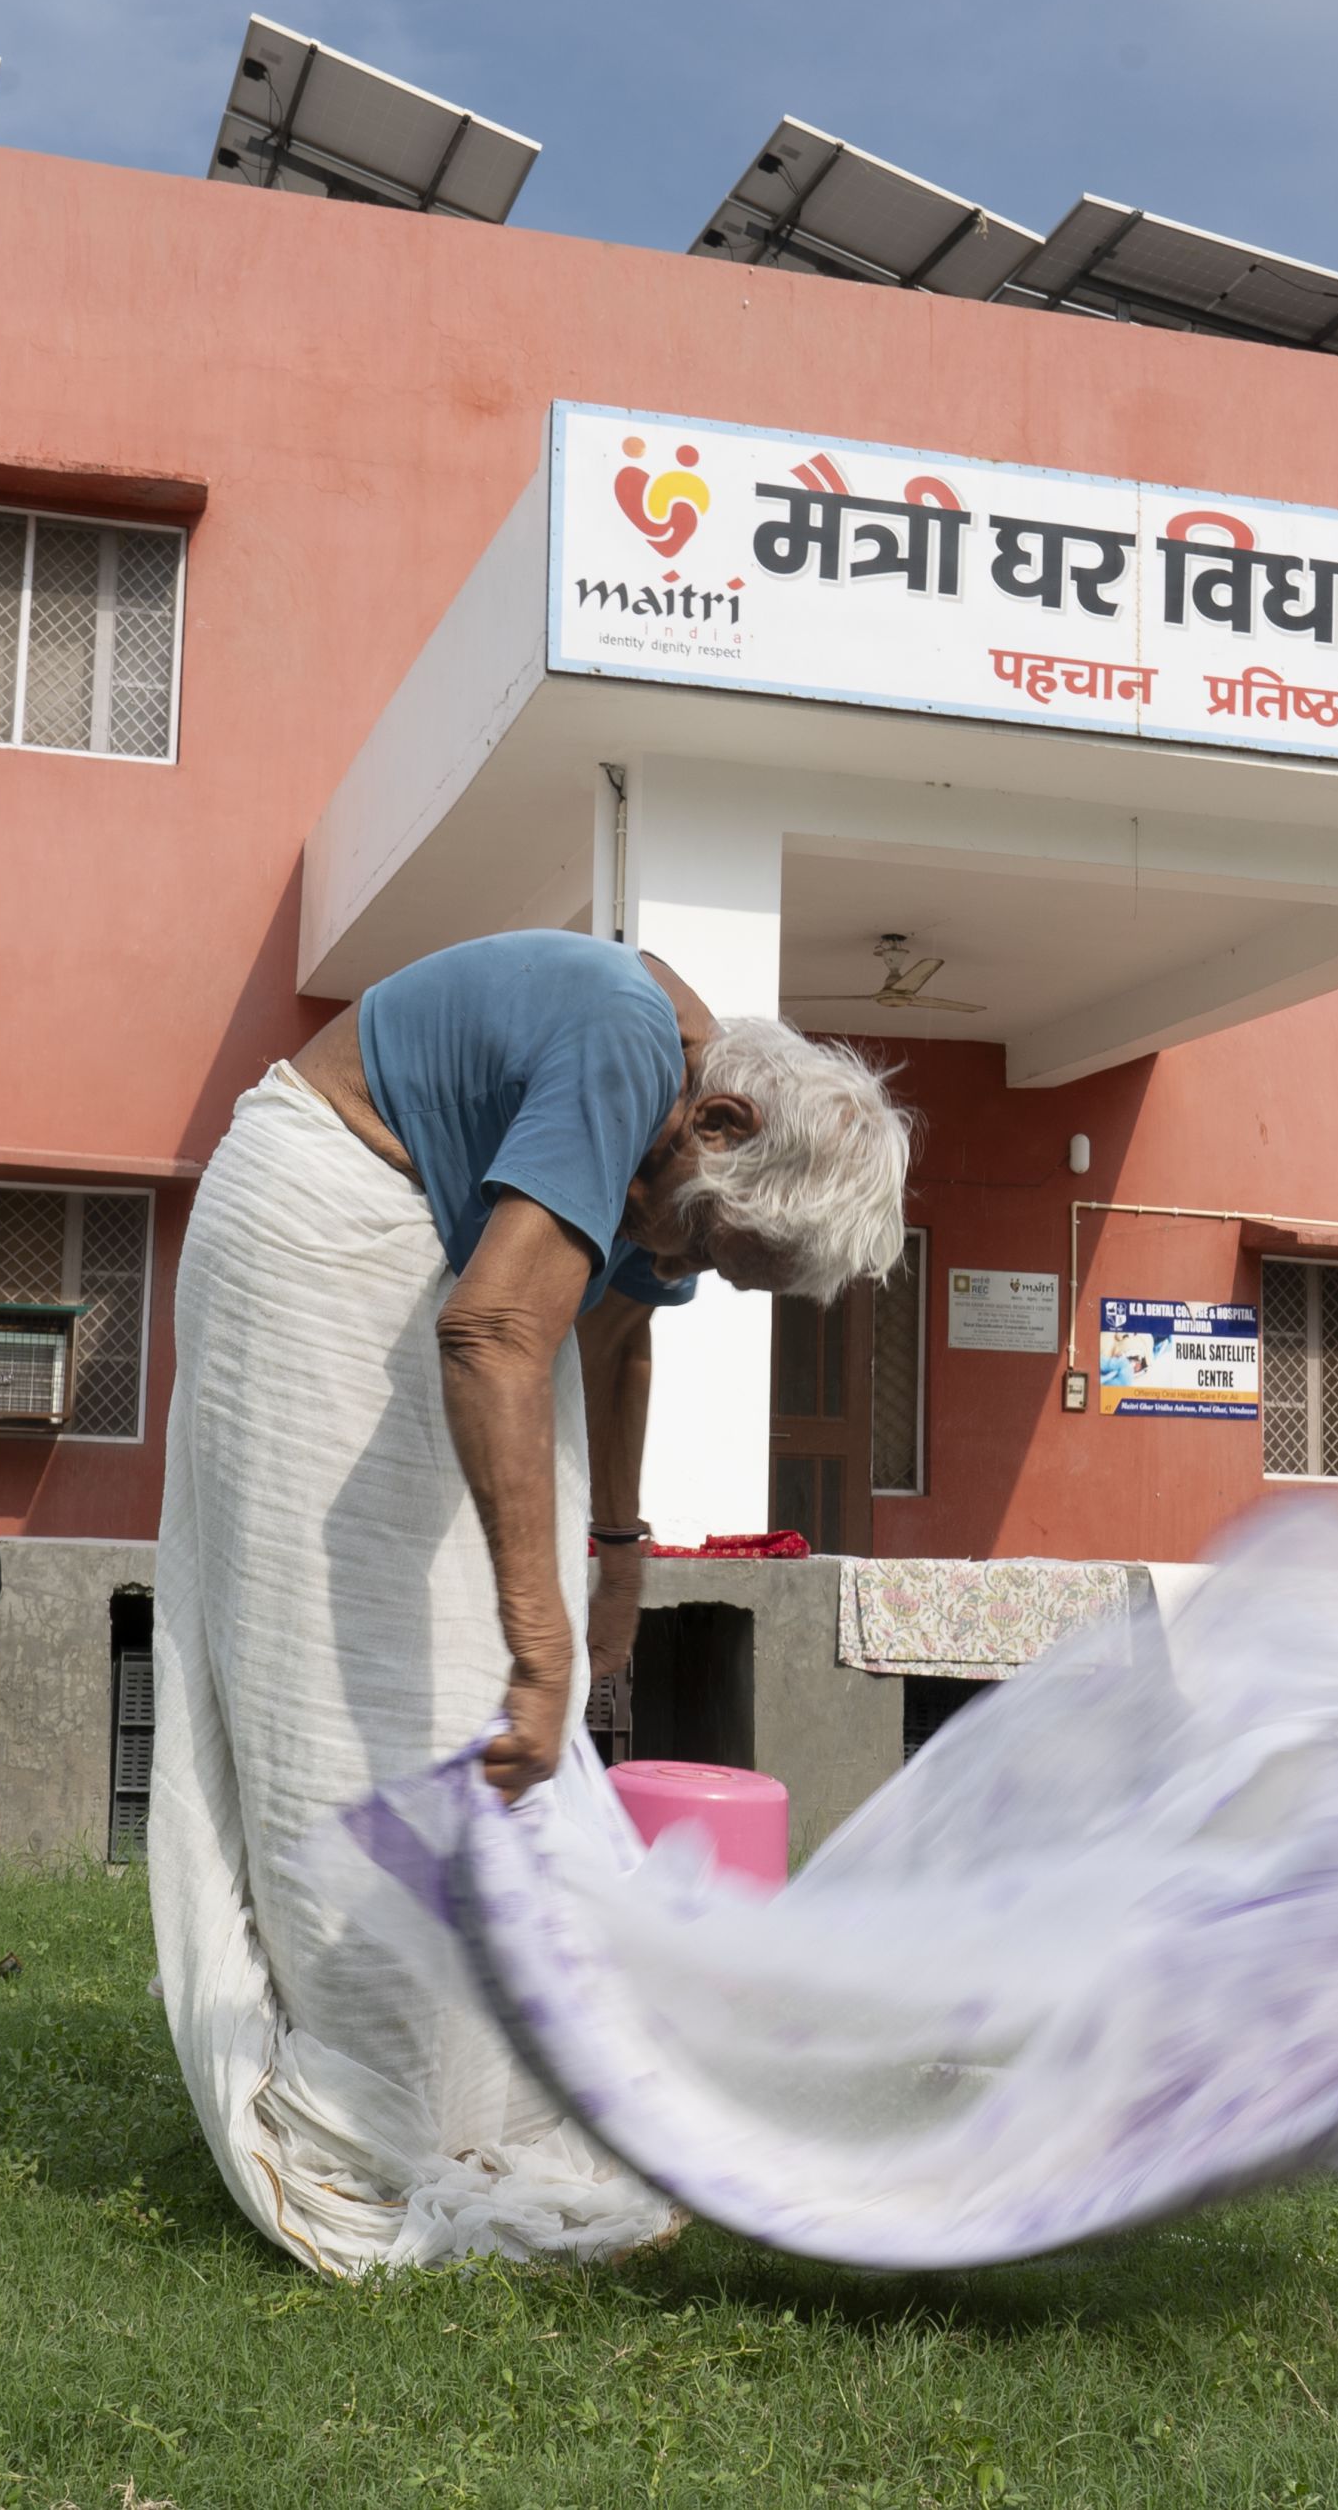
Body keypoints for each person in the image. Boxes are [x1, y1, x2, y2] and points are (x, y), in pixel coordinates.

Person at [149, 929, 911, 2273]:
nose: (700, 1265)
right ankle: (361, 2116)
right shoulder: (626, 1044)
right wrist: (543, 1647)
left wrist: (617, 1561)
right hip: (320, 1225)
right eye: (718, 1241)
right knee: (364, 1694)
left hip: (447, 1267)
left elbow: (616, 1332)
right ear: (720, 1122)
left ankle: (482, 2097)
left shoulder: (684, 1151)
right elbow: (494, 1332)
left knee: (481, 1722)